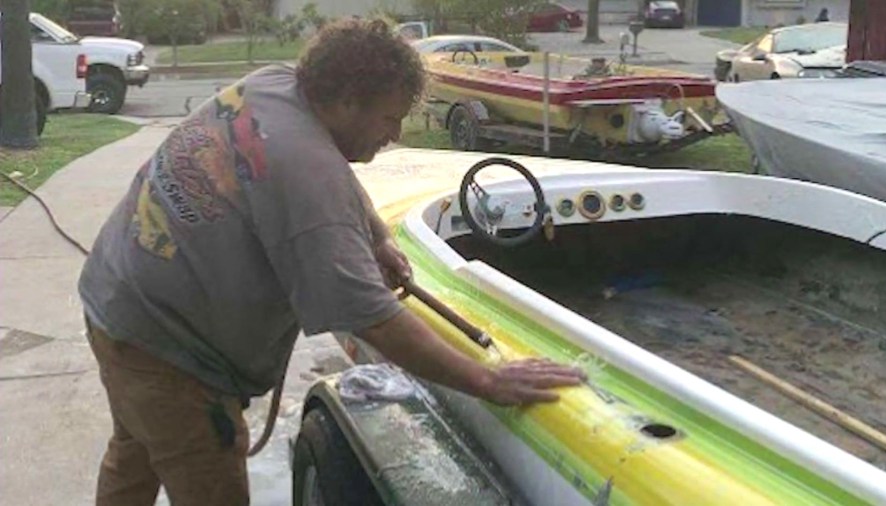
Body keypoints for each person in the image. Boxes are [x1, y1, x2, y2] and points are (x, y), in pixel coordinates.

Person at [79, 18, 585, 506]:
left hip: (115, 295)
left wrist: (377, 234)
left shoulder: (276, 86)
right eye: (390, 117)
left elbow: (326, 169)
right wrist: (487, 381)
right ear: (347, 102)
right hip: (171, 352)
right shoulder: (309, 174)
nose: (396, 131)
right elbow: (372, 316)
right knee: (209, 487)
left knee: (134, 452)